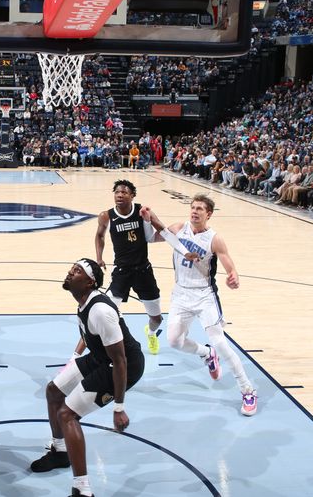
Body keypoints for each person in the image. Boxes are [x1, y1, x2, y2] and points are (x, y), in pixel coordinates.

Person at [30, 259, 144, 497]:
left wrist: (119, 407)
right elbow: (89, 333)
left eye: (78, 271)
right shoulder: (83, 302)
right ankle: (61, 453)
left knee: (68, 414)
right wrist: (75, 357)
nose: (71, 272)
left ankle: (82, 489)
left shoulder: (101, 311)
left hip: (123, 365)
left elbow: (121, 360)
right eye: (72, 268)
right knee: (54, 391)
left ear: (90, 282)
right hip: (102, 356)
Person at [141, 194, 258, 416]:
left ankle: (247, 390)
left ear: (209, 214)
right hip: (180, 295)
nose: (194, 211)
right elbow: (151, 238)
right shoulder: (178, 228)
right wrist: (147, 219)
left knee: (221, 343)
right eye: (193, 207)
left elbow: (229, 266)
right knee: (174, 341)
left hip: (204, 296)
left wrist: (233, 276)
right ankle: (206, 354)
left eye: (200, 209)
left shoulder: (215, 239)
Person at [95, 180, 164, 355]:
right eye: (117, 192)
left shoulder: (142, 211)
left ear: (132, 195)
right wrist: (99, 258)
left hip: (143, 270)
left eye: (124, 192)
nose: (119, 195)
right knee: (106, 310)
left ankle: (151, 333)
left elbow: (161, 230)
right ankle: (104, 347)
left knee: (157, 318)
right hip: (121, 271)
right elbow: (99, 236)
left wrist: (180, 242)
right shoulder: (106, 216)